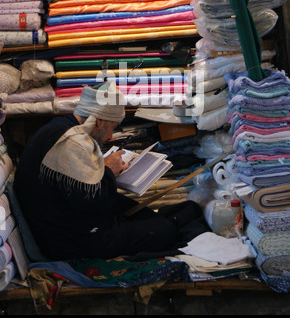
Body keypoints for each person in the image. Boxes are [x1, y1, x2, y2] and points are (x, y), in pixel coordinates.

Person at [14, 81, 208, 261]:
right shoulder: (71, 142)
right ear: (98, 121)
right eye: (111, 128)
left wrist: (105, 172)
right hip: (67, 240)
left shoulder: (60, 128)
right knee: (163, 230)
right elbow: (92, 202)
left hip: (68, 222)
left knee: (154, 215)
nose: (110, 136)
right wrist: (107, 170)